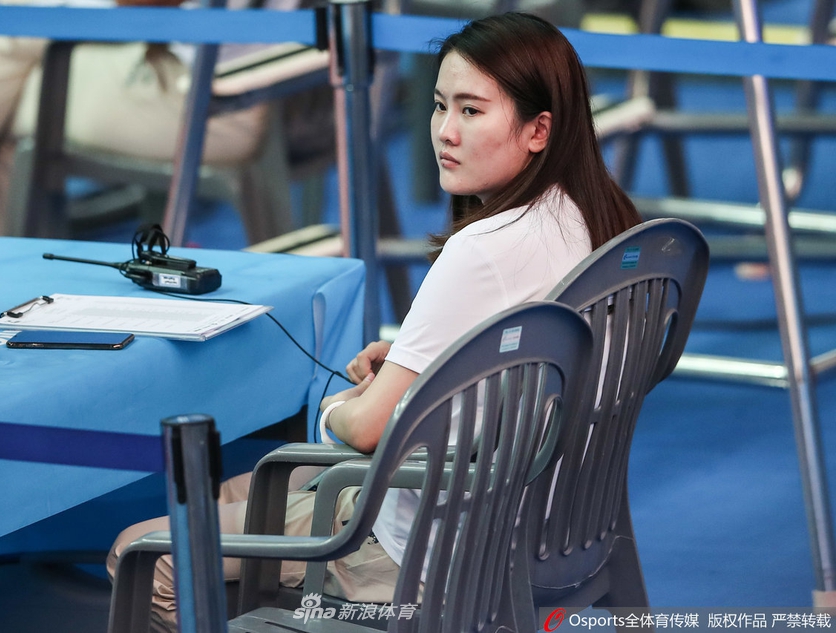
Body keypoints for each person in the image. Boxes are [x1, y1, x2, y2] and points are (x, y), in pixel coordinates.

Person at [106, 11, 642, 630]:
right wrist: (435, 365)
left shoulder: (483, 249)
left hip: (428, 550)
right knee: (232, 493)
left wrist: (340, 404)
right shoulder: (592, 218)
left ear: (538, 130)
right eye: (439, 106)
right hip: (545, 525)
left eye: (472, 111)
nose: (445, 132)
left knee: (144, 555)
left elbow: (365, 431)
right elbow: (525, 352)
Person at [0, 0, 290, 269]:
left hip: (215, 104)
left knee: (10, 89)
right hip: (281, 89)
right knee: (14, 46)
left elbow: (142, 5)